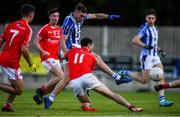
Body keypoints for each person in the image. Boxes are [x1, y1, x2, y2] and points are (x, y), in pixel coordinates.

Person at [43, 37, 142, 112]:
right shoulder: (92, 55)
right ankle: (131, 107)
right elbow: (90, 70)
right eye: (92, 46)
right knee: (111, 94)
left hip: (74, 82)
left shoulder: (71, 52)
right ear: (89, 46)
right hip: (87, 77)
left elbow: (63, 57)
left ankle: (84, 105)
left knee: (86, 102)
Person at [119, 9, 173, 107]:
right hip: (146, 56)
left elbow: (154, 44)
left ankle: (162, 100)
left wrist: (160, 50)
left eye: (153, 18)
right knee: (144, 81)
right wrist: (145, 46)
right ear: (146, 18)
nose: (151, 20)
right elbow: (135, 40)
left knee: (162, 75)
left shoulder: (156, 29)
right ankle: (125, 72)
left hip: (155, 56)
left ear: (155, 19)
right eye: (149, 18)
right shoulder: (144, 28)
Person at [0, 4, 36, 112]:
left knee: (15, 84)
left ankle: (7, 105)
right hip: (11, 62)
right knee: (19, 90)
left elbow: (1, 40)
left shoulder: (11, 25)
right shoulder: (27, 29)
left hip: (3, 59)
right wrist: (30, 63)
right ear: (31, 15)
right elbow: (24, 49)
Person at [33, 8, 65, 105]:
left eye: (57, 16)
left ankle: (39, 95)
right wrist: (42, 51)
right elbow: (35, 42)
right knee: (61, 76)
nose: (56, 18)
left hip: (56, 58)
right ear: (49, 17)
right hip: (47, 57)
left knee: (56, 81)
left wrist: (62, 55)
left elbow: (59, 45)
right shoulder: (45, 28)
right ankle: (40, 90)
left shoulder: (60, 30)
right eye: (54, 16)